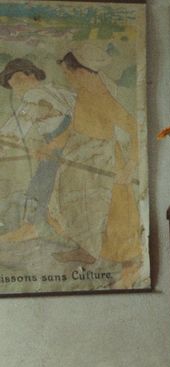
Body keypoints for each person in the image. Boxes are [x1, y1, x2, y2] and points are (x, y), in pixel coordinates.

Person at [37, 47, 142, 287]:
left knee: (113, 213)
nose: (67, 78)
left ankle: (130, 268)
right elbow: (73, 128)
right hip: (79, 156)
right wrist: (51, 145)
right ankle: (87, 250)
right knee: (74, 204)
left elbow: (135, 129)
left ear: (82, 72)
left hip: (103, 160)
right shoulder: (83, 94)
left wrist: (129, 167)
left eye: (68, 73)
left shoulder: (103, 97)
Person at [0, 57, 75, 241]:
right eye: (12, 85)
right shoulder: (54, 91)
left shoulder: (36, 95)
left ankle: (30, 228)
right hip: (66, 144)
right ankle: (50, 226)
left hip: (66, 145)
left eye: (18, 81)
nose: (16, 88)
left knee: (41, 182)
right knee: (45, 183)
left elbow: (18, 126)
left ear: (32, 75)